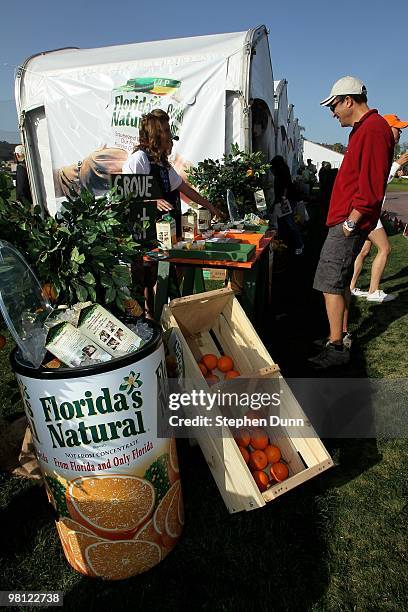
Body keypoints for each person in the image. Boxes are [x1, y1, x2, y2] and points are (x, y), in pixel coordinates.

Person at [309, 76, 394, 369]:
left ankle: (335, 347)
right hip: (349, 220)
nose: (333, 113)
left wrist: (350, 223)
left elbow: (369, 187)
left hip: (350, 222)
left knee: (329, 283)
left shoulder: (372, 129)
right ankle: (340, 336)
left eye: (334, 106)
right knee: (339, 281)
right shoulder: (365, 129)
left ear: (348, 101)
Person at [122, 110, 223, 317]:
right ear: (155, 133)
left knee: (167, 276)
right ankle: (151, 320)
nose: (170, 134)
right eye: (166, 130)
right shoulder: (139, 159)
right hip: (146, 234)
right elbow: (125, 195)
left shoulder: (162, 164)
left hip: (166, 233)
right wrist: (152, 201)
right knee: (147, 281)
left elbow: (185, 189)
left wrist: (211, 207)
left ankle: (163, 316)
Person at [350, 114, 408, 302]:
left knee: (364, 251)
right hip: (368, 211)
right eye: (397, 128)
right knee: (385, 249)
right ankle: (374, 291)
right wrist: (398, 164)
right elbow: (378, 178)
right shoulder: (381, 145)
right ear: (387, 128)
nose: (400, 132)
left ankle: (351, 286)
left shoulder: (386, 146)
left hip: (368, 211)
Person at [270, 155, 304, 255]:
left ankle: (299, 245)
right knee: (281, 224)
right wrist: (275, 204)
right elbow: (279, 192)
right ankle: (282, 244)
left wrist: (283, 199)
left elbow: (285, 187)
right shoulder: (280, 173)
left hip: (286, 201)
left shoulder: (282, 173)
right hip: (283, 201)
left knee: (290, 223)